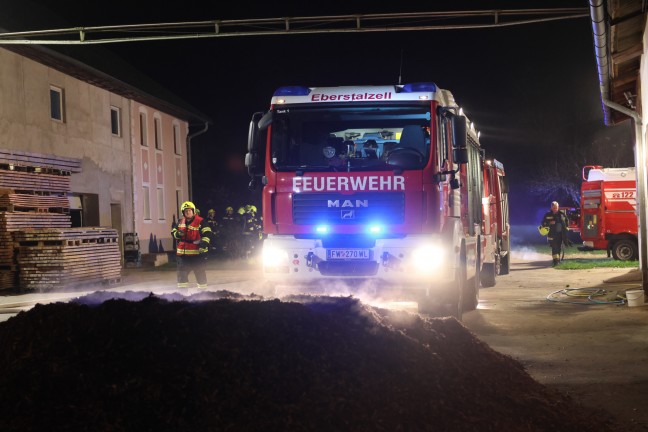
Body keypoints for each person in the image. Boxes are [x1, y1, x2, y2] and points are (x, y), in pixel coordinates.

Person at [171, 201, 213, 288]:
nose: (188, 212)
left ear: (193, 211)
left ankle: (202, 294)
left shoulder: (201, 221)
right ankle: (182, 296)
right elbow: (173, 232)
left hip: (197, 255)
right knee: (181, 276)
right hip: (183, 256)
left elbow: (208, 232)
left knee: (200, 275)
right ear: (183, 212)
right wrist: (178, 234)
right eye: (186, 211)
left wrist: (204, 243)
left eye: (189, 210)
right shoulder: (180, 222)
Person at [539, 201, 571, 266]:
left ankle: (558, 260)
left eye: (556, 207)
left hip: (560, 234)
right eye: (553, 207)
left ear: (558, 207)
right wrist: (549, 223)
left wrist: (567, 227)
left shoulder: (562, 214)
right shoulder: (547, 215)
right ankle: (555, 261)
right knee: (554, 247)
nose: (555, 209)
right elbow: (543, 223)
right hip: (551, 234)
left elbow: (567, 221)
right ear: (551, 207)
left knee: (558, 247)